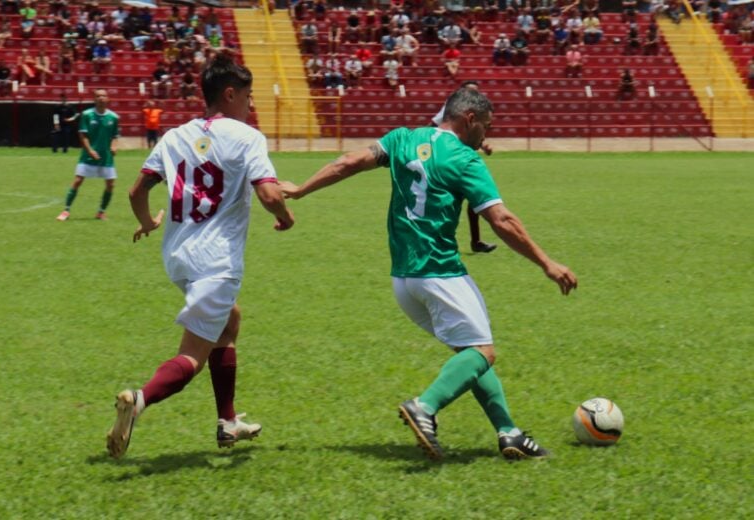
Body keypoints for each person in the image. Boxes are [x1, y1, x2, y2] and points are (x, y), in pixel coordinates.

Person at [279, 87, 577, 461]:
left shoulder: (404, 138)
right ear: (469, 119)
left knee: (468, 352)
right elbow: (501, 219)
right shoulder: (465, 160)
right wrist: (548, 263)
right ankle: (425, 406)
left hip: (403, 280)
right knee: (482, 352)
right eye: (485, 126)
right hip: (439, 271)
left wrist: (302, 189)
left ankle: (509, 433)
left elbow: (348, 161)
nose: (486, 136)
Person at [106, 51, 294, 459]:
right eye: (247, 96)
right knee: (192, 354)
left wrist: (149, 223)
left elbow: (137, 191)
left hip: (177, 257)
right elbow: (268, 193)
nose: (251, 105)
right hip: (216, 261)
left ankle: (227, 422)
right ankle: (137, 400)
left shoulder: (174, 136)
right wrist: (285, 215)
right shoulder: (248, 137)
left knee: (231, 320)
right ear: (229, 94)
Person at [430, 80, 496, 254]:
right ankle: (437, 242)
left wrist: (483, 145)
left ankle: (475, 241)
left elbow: (473, 131)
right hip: (449, 159)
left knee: (475, 199)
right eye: (471, 91)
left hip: (465, 157)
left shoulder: (476, 111)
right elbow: (435, 127)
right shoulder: (451, 108)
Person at [56, 89, 119, 221]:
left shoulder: (114, 117)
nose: (101, 98)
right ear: (94, 99)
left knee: (110, 184)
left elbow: (114, 136)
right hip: (88, 155)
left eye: (103, 95)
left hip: (106, 157)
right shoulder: (87, 114)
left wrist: (114, 146)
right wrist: (90, 150)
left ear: (108, 99)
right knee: (78, 181)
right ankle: (66, 210)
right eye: (98, 96)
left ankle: (101, 212)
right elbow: (83, 135)